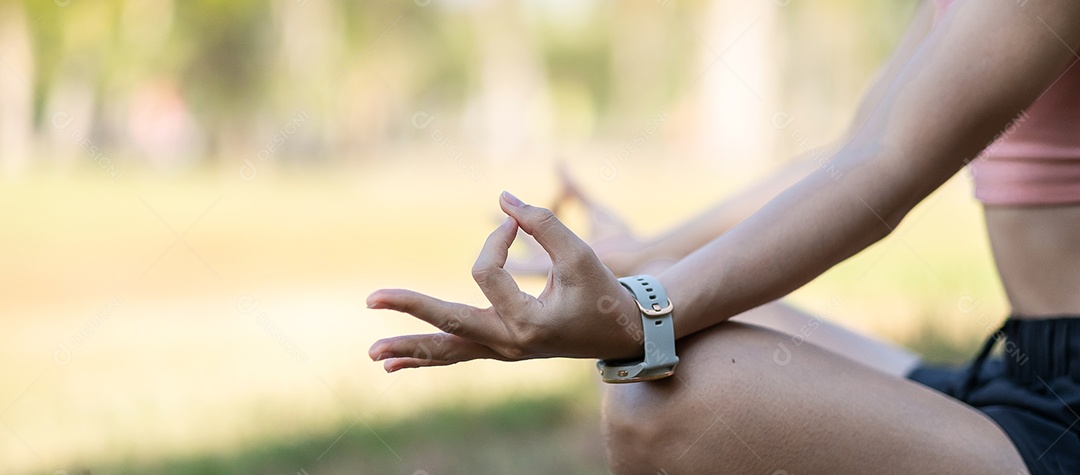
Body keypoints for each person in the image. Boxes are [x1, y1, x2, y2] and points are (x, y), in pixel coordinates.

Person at [367, 0, 1080, 473]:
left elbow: (884, 168)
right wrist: (646, 262)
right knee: (688, 342)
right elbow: (851, 151)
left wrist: (639, 309)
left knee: (674, 392)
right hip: (1026, 368)